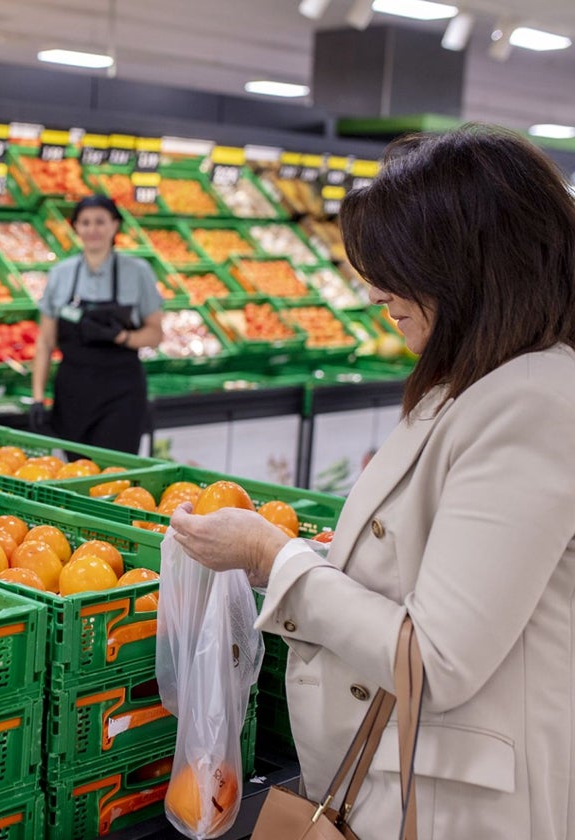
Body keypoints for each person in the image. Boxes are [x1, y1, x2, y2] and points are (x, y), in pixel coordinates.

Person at [168, 125, 575, 839]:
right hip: (409, 772)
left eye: (397, 266)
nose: (377, 290)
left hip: (455, 805)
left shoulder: (533, 400)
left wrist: (274, 559)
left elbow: (437, 658)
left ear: (470, 266)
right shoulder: (479, 383)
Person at [30, 195, 163, 454]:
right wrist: (37, 398)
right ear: (76, 227)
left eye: (100, 222)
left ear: (115, 225)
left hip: (121, 393)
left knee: (116, 474)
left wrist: (123, 337)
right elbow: (45, 342)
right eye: (85, 223)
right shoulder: (60, 274)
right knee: (76, 474)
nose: (93, 230)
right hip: (72, 393)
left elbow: (155, 334)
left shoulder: (138, 272)